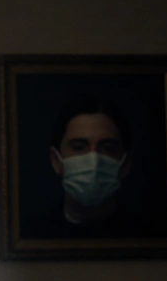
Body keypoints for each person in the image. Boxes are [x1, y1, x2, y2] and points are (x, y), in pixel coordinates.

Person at [29, 93, 148, 239]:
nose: (94, 160)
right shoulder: (34, 235)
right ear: (56, 160)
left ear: (126, 163)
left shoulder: (148, 236)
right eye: (79, 147)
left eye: (108, 149)